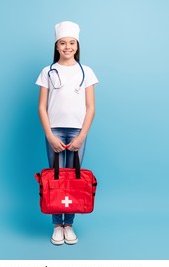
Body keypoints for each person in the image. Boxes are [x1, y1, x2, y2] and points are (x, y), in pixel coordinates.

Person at [35, 21, 99, 245]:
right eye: (63, 43)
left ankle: (69, 224)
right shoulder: (48, 72)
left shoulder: (86, 72)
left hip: (77, 131)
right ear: (56, 46)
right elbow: (42, 107)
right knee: (55, 177)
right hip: (54, 130)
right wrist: (50, 135)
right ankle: (56, 225)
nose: (67, 47)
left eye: (72, 43)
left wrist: (81, 136)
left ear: (77, 45)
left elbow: (90, 107)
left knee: (72, 178)